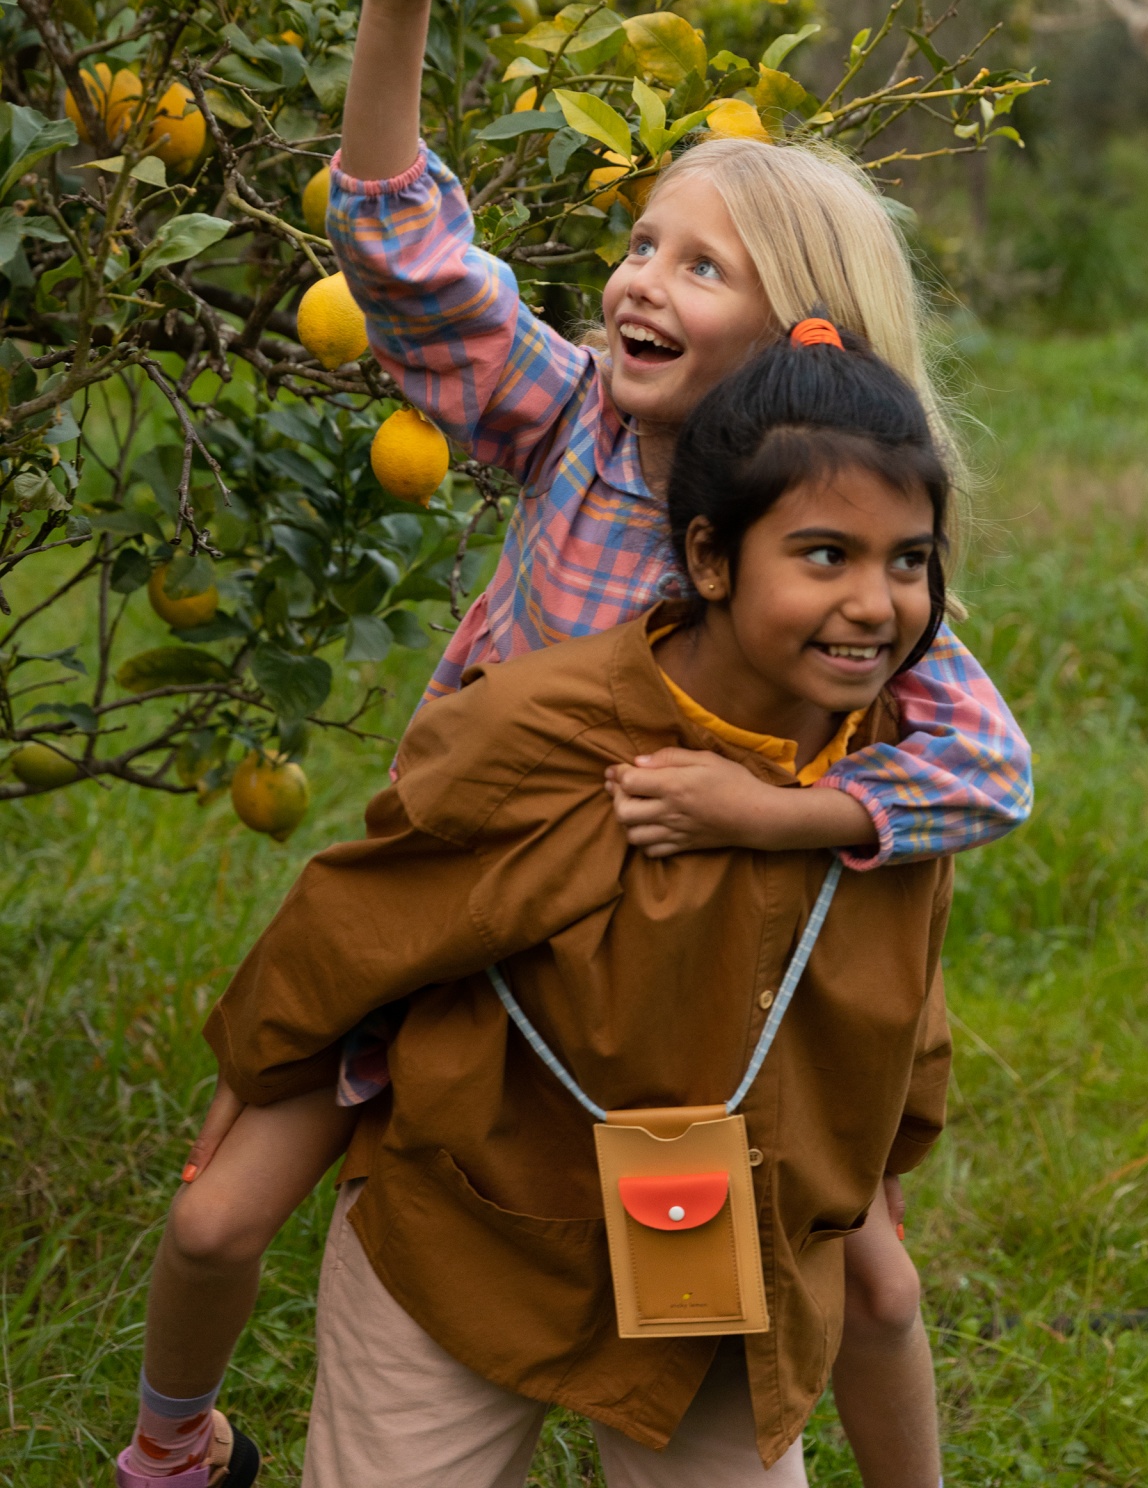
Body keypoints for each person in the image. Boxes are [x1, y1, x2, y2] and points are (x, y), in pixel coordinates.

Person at [113, 0, 1031, 1487]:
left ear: (804, 329)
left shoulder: (848, 578)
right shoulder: (578, 425)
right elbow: (401, 252)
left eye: (699, 263)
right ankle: (176, 1445)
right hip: (467, 899)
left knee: (867, 1271)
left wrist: (780, 818)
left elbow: (985, 761)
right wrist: (394, 2)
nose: (639, 282)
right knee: (225, 1202)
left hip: (696, 954)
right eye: (639, 246)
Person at [202, 328, 964, 1487]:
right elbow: (356, 921)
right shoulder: (542, 730)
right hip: (480, 1228)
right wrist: (259, 1081)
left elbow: (897, 1009)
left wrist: (876, 1169)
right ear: (709, 558)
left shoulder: (888, 782)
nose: (873, 604)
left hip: (717, 1269)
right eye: (822, 556)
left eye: (907, 561)